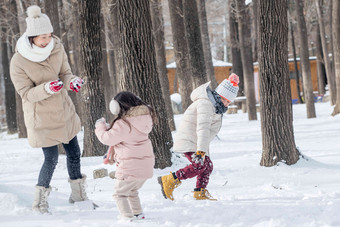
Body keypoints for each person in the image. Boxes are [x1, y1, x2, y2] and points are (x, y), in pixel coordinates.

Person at [10, 5, 90, 214]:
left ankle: (79, 196)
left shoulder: (57, 47)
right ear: (31, 37)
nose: (47, 40)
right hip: (41, 117)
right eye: (42, 37)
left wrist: (71, 82)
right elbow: (26, 93)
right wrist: (46, 88)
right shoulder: (19, 60)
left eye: (49, 35)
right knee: (52, 158)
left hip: (63, 111)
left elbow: (65, 73)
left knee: (74, 152)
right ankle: (40, 202)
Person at [158, 74, 240, 201]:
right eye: (226, 100)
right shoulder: (206, 104)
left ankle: (199, 191)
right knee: (199, 165)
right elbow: (203, 128)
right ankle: (169, 180)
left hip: (196, 141)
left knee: (207, 166)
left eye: (229, 102)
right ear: (220, 96)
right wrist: (201, 151)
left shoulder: (215, 107)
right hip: (190, 139)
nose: (227, 104)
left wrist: (202, 148)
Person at [95, 91, 156, 221]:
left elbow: (107, 139)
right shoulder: (145, 118)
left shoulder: (123, 123)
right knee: (132, 191)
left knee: (119, 194)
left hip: (130, 167)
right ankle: (138, 214)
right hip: (146, 167)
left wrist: (100, 127)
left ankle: (127, 217)